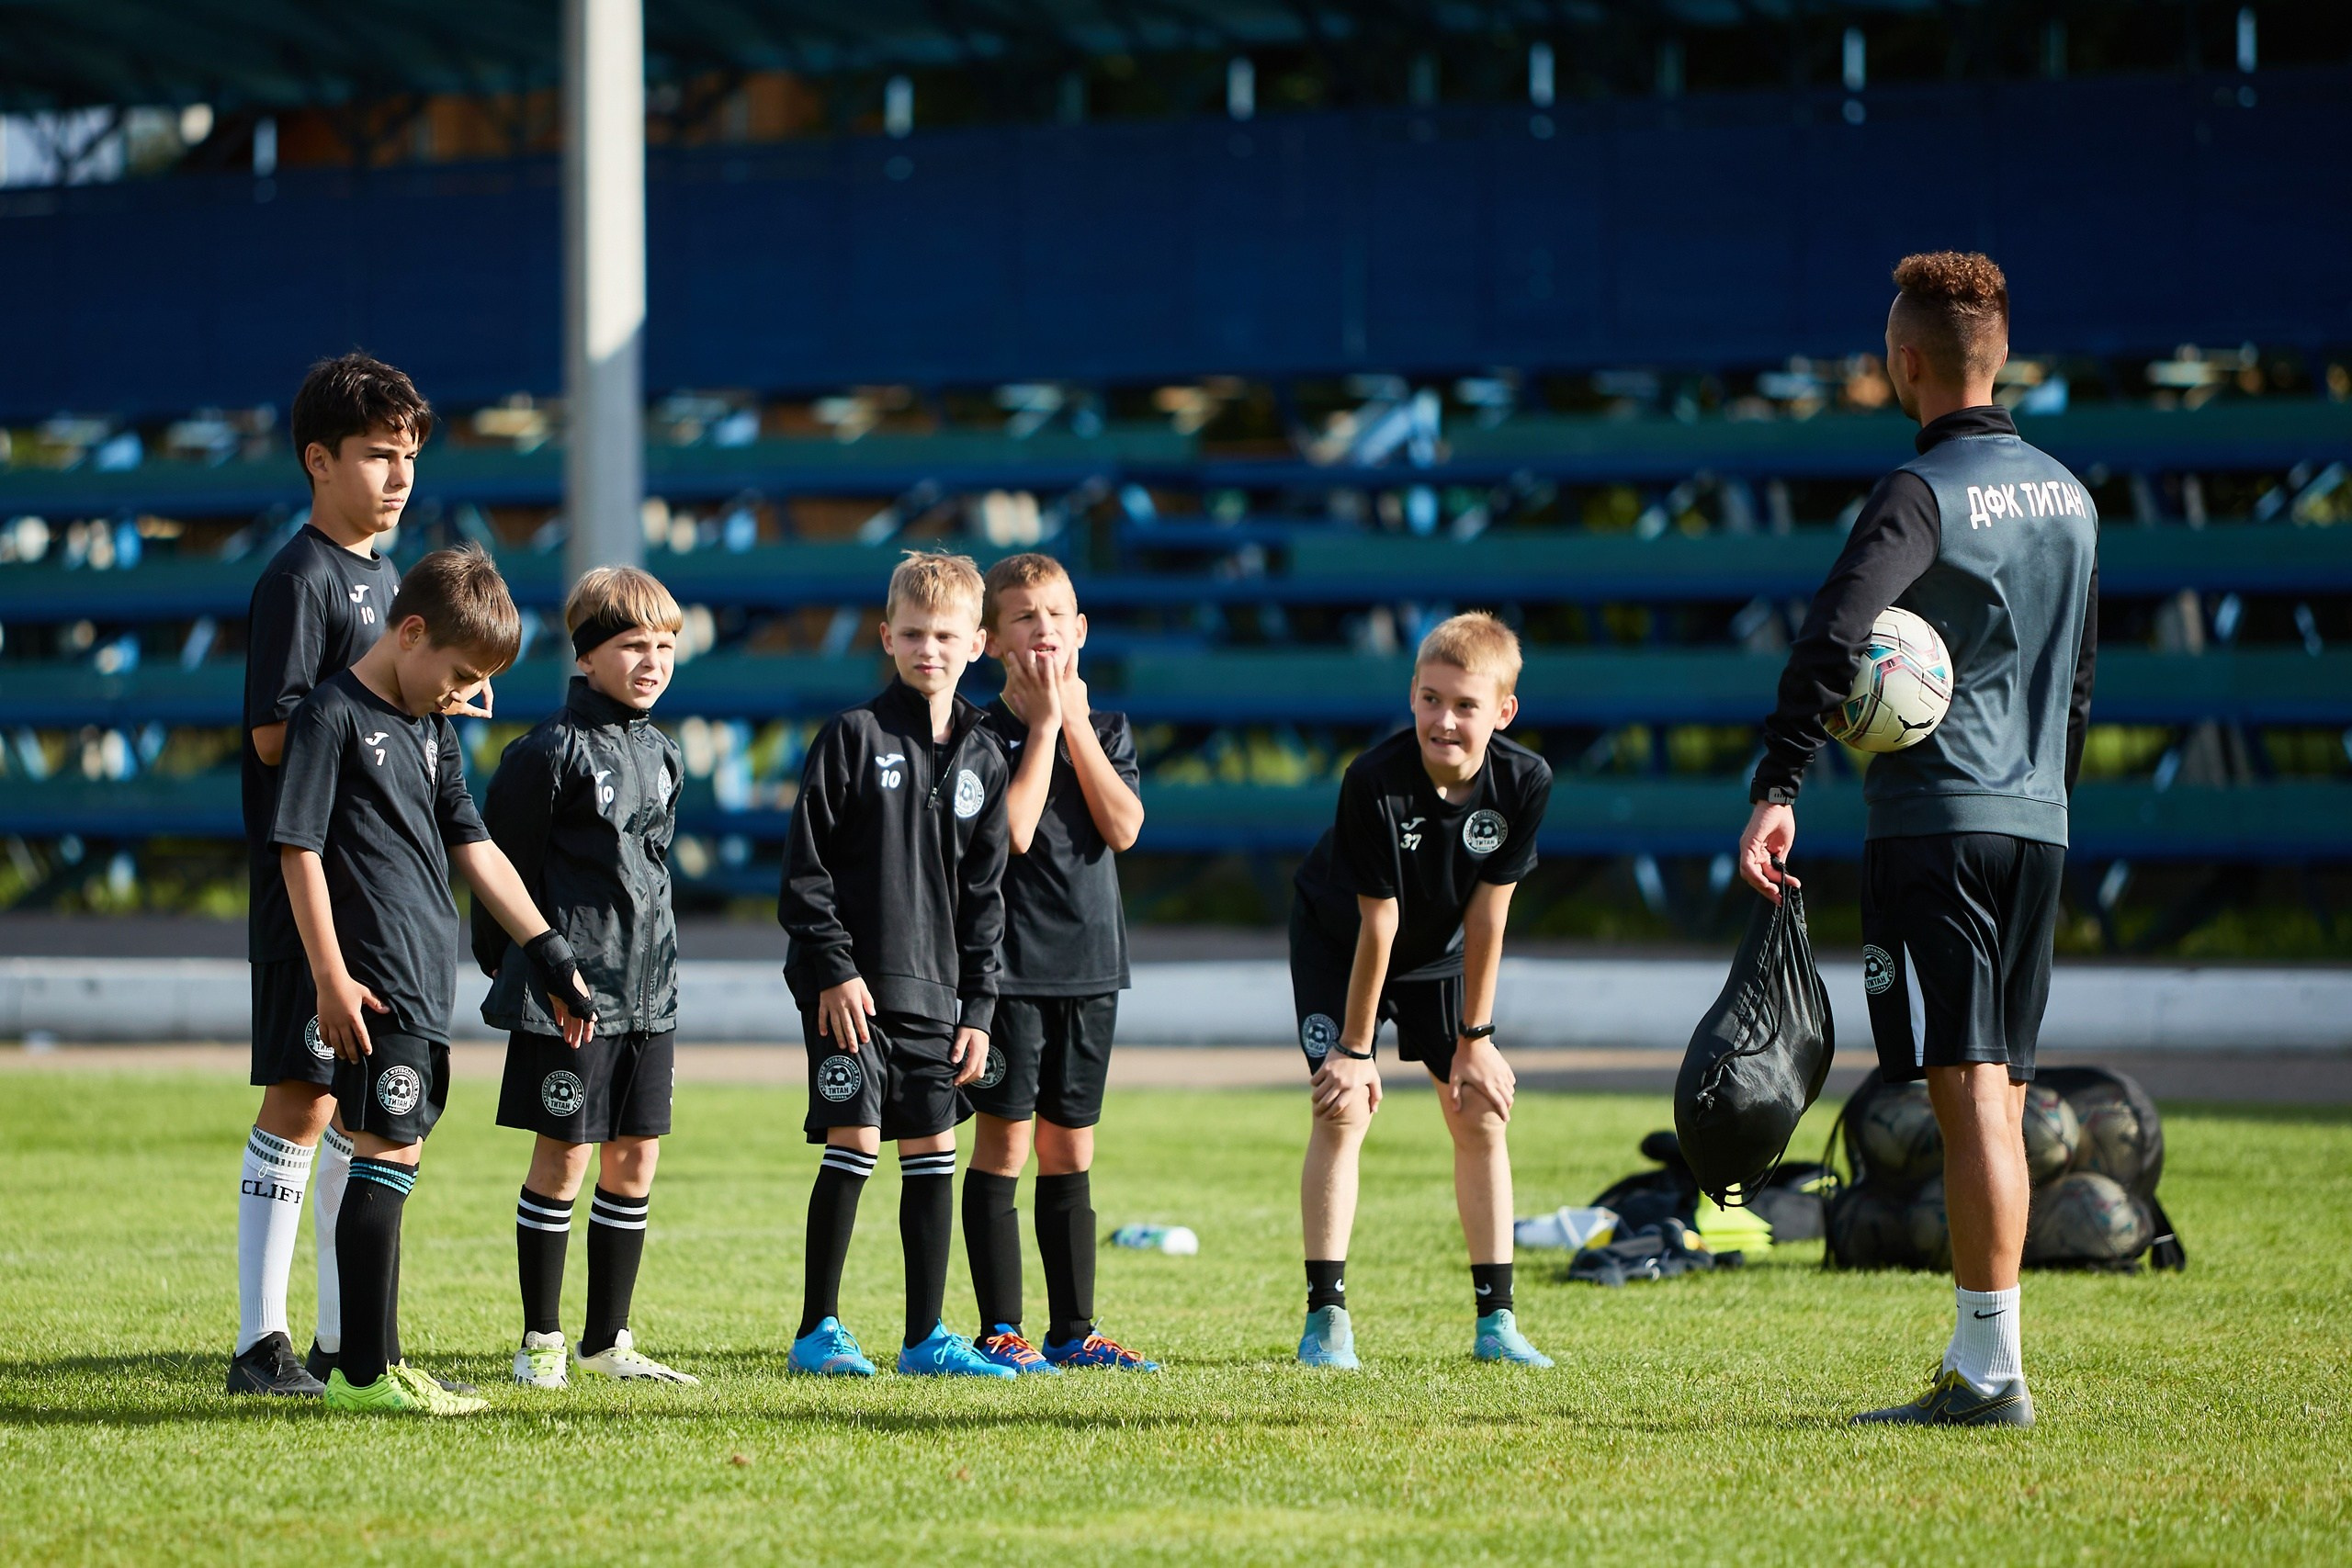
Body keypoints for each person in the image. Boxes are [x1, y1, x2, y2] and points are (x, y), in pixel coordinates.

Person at [1737, 251, 2097, 1428]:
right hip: (2035, 821)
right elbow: (2080, 682)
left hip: (1936, 823)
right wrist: (2044, 794)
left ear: (1905, 362)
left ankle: (1990, 1374)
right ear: (2001, 359)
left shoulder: (1918, 493)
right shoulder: (2070, 498)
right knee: (1995, 1086)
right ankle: (1983, 1361)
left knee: (1966, 1089)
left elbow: (1835, 636)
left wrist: (1780, 777)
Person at [273, 544, 598, 1416]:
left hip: (422, 976)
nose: (460, 693)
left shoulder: (432, 730)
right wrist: (331, 976)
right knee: (385, 1152)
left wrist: (552, 953)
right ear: (409, 631)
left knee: (398, 1155)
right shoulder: (330, 717)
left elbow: (476, 848)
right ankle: (361, 1374)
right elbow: (297, 852)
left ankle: (377, 1359)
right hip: (370, 979)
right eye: (455, 672)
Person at [229, 353, 452, 1397]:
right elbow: (278, 736)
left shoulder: (388, 583)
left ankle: (338, 1339)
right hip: (305, 886)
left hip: (369, 889)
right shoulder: (301, 575)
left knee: (354, 1109)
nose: (398, 475)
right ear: (318, 462)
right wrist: (373, 714)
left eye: (408, 455)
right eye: (376, 455)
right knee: (301, 1100)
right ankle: (258, 1343)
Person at [1290, 612, 1554, 1371]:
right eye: (1431, 699)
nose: (1445, 719)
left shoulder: (1525, 780)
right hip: (1341, 941)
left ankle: (1497, 1323)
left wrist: (1478, 1039)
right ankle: (1326, 1317)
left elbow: (1489, 915)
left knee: (1480, 1111)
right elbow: (1379, 925)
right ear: (1412, 695)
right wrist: (1354, 1048)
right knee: (1343, 1108)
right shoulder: (1372, 780)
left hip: (1440, 950)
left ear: (1503, 711)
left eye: (1466, 705)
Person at [778, 549, 1014, 1380]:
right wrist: (837, 969)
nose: (930, 649)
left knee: (930, 1151)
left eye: (947, 635)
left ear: (978, 642)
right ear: (886, 636)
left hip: (938, 995)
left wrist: (978, 1009)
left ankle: (924, 1339)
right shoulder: (852, 737)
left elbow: (986, 900)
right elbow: (803, 877)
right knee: (857, 1140)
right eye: (913, 633)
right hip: (847, 989)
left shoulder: (987, 754)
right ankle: (818, 1329)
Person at [474, 566, 696, 1389]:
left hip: (652, 996)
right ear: (586, 656)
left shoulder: (668, 754)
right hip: (570, 999)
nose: (653, 660)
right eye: (634, 645)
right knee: (563, 1160)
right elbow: (501, 868)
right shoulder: (546, 753)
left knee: (633, 1162)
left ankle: (610, 1340)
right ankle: (541, 1342)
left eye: (666, 645)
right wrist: (524, 971)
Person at [961, 554, 1158, 1373]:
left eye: (1057, 614)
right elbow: (1011, 830)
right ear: (994, 640)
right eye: (1024, 617)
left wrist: (1073, 720)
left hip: (1091, 967)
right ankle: (999, 1327)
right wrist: (1042, 725)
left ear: (1080, 629)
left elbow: (1124, 827)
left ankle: (1074, 1330)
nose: (1043, 629)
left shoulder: (1106, 725)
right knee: (1004, 1146)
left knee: (1070, 1150)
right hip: (1007, 974)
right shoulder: (974, 733)